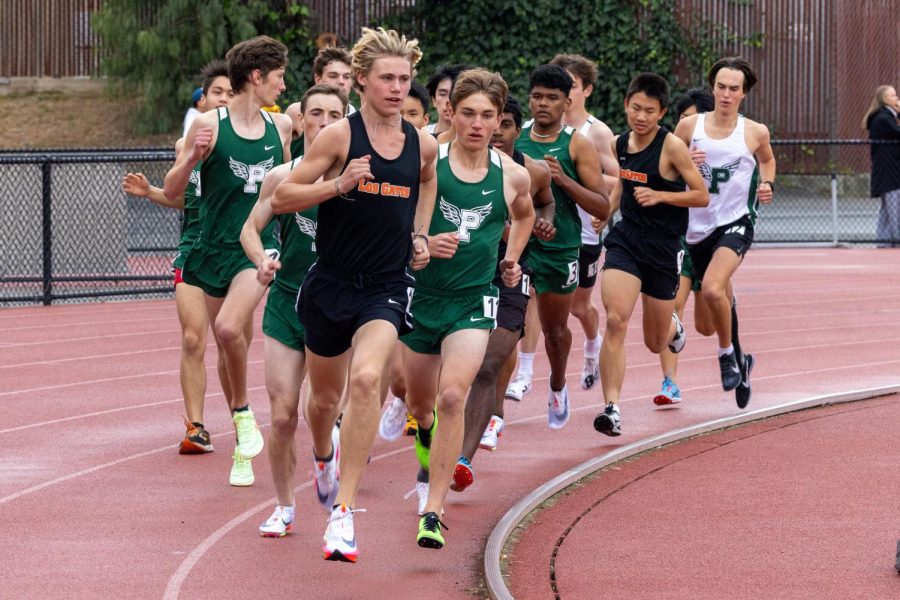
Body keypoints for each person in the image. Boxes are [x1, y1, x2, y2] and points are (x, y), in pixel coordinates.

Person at [272, 27, 437, 563]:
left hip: (386, 287)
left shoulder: (423, 144)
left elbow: (428, 182)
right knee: (320, 403)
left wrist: (418, 234)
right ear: (361, 80)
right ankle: (322, 453)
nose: (396, 88)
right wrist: (336, 186)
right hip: (331, 284)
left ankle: (342, 514)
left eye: (404, 79)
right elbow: (282, 196)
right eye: (386, 78)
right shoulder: (339, 138)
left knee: (367, 379)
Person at [401, 69, 534, 549]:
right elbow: (393, 216)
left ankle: (433, 509)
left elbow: (525, 214)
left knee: (453, 395)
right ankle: (426, 432)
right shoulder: (427, 164)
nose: (477, 125)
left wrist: (512, 257)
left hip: (473, 301)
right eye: (469, 114)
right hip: (420, 296)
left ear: (499, 121)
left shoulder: (512, 174)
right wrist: (419, 241)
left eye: (488, 116)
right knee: (420, 404)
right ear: (451, 113)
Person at [163, 36, 294, 484]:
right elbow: (174, 188)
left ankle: (241, 415)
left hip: (256, 247)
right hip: (207, 249)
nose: (283, 84)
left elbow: (289, 191)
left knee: (226, 329)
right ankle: (243, 444)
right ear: (256, 76)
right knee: (217, 344)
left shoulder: (281, 130)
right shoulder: (210, 123)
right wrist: (193, 158)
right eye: (278, 76)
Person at [241, 84, 348, 537]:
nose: (324, 121)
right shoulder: (280, 176)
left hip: (338, 305)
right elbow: (251, 227)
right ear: (301, 121)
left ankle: (324, 454)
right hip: (287, 301)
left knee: (320, 408)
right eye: (316, 113)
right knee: (282, 414)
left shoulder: (361, 179)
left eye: (334, 114)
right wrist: (261, 259)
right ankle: (284, 506)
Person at [122, 59, 233, 454]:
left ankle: (240, 415)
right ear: (203, 101)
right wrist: (150, 192)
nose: (223, 99)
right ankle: (197, 426)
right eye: (216, 93)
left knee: (229, 338)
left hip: (233, 254)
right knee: (192, 337)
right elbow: (181, 197)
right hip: (193, 249)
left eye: (230, 93)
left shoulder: (246, 145)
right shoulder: (186, 144)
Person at [593, 73, 708, 437]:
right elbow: (625, 183)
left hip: (663, 247)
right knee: (614, 319)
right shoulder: (619, 143)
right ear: (626, 105)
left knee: (655, 342)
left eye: (649, 111)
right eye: (636, 108)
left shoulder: (671, 146)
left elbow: (701, 194)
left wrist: (662, 196)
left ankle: (673, 326)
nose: (641, 116)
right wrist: (607, 212)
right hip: (626, 241)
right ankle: (611, 408)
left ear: (661, 114)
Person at [451, 94, 555, 493]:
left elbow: (542, 207)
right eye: (473, 116)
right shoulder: (445, 163)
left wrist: (538, 228)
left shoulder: (530, 172)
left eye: (505, 123)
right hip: (456, 273)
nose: (493, 130)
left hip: (508, 274)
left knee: (488, 364)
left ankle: (461, 459)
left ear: (511, 128)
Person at [674, 57, 776, 410]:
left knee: (715, 287)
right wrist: (686, 158)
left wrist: (767, 183)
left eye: (734, 88)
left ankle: (727, 354)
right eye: (721, 87)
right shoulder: (689, 126)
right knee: (704, 322)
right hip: (695, 226)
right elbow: (666, 163)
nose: (726, 94)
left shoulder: (754, 131)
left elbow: (767, 159)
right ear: (712, 87)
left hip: (735, 221)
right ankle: (743, 359)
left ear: (744, 93)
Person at [515, 64, 609, 429]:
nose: (543, 104)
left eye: (552, 98)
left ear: (567, 102)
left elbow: (601, 205)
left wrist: (564, 181)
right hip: (518, 244)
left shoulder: (577, 144)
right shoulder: (513, 137)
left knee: (555, 330)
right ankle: (501, 399)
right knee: (506, 325)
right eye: (537, 96)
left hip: (562, 247)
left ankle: (556, 383)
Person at [550, 53, 619, 390]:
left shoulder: (597, 132)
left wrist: (579, 177)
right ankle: (526, 372)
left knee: (578, 306)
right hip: (548, 229)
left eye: (572, 85)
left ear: (586, 90)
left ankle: (593, 345)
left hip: (585, 232)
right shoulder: (541, 128)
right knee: (538, 299)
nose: (566, 92)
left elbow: (620, 179)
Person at [378, 78, 433, 443]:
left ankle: (422, 414)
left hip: (429, 271)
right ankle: (397, 401)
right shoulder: (378, 151)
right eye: (402, 114)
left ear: (426, 119)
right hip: (385, 270)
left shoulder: (429, 153)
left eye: (414, 114)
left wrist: (425, 237)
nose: (407, 120)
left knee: (427, 371)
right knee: (393, 375)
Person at [653, 87, 715, 405]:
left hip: (712, 241)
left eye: (692, 119)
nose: (685, 126)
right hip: (679, 240)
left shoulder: (724, 150)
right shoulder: (669, 153)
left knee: (705, 327)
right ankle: (670, 383)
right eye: (682, 118)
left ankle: (724, 299)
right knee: (671, 309)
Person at [863, 85, 900, 246]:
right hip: (889, 171)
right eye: (893, 96)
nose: (897, 98)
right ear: (884, 99)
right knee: (894, 208)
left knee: (887, 209)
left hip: (890, 170)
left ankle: (883, 240)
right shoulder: (883, 118)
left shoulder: (887, 117)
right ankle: (895, 238)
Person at [425, 64, 471, 136]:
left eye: (455, 94)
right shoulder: (421, 136)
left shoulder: (476, 137)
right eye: (443, 94)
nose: (449, 101)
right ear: (434, 100)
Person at [313, 45, 357, 115]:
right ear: (318, 79)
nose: (341, 81)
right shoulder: (298, 112)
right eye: (333, 76)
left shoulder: (359, 118)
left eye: (346, 77)